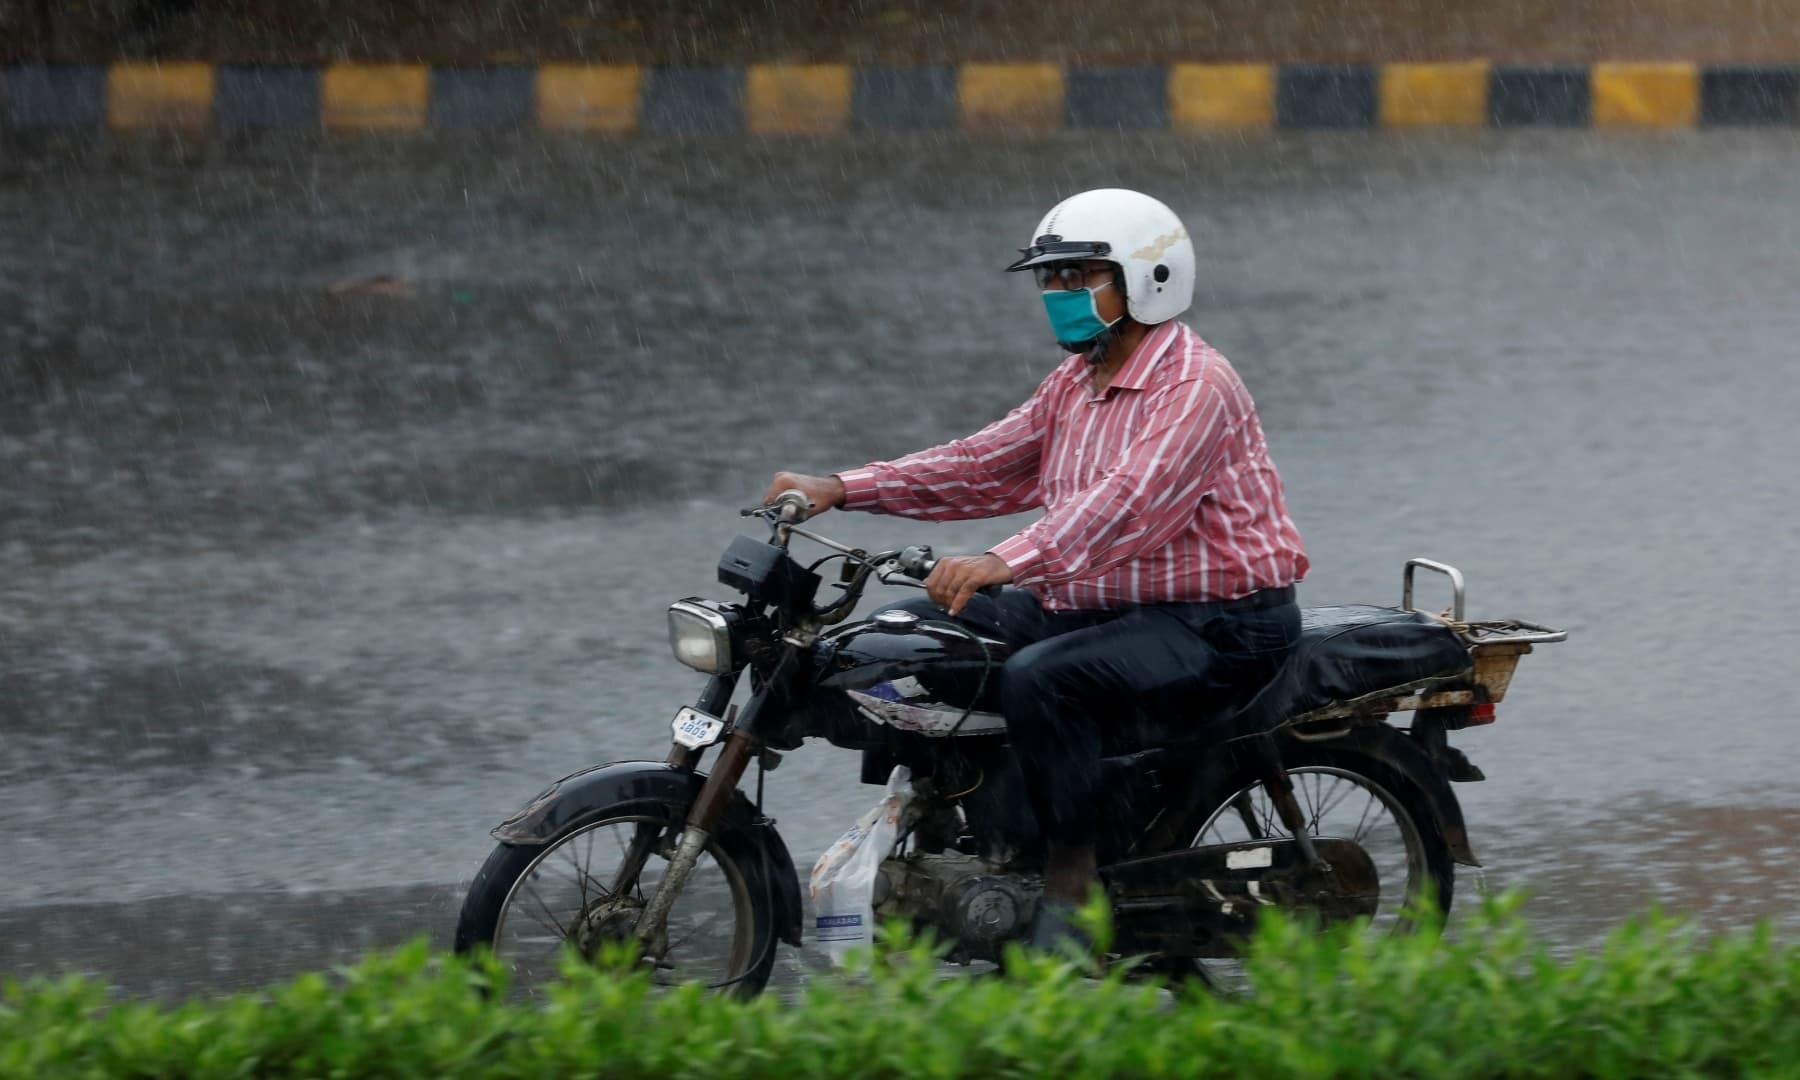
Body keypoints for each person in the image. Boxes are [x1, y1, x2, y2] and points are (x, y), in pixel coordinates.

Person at [764, 188, 1309, 950]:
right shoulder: (1078, 381)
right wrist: (843, 488)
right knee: (915, 635)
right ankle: (965, 810)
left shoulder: (1194, 386)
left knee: (1042, 678)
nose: (1059, 296)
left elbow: (1129, 506)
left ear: (1146, 278)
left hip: (1221, 624)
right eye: (1050, 280)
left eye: (1080, 275)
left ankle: (1070, 875)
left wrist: (1002, 560)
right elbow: (984, 463)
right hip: (1101, 605)